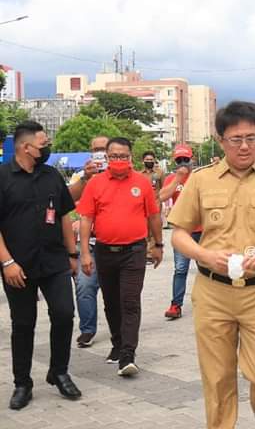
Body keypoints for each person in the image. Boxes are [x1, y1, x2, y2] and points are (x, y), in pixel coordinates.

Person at [168, 101, 255, 429]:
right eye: (236, 139)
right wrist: (204, 255)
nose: (244, 146)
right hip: (213, 293)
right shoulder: (201, 180)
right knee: (217, 378)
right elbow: (179, 234)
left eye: (251, 138)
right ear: (221, 141)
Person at [0, 121, 83, 410]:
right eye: (43, 143)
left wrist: (72, 255)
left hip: (54, 261)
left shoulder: (51, 175)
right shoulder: (2, 177)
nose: (46, 147)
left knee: (64, 314)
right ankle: (22, 383)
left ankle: (58, 371)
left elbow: (63, 216)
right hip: (17, 266)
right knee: (23, 324)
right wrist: (7, 262)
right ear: (26, 147)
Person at [77, 137, 163, 377]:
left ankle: (127, 354)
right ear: (107, 157)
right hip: (105, 252)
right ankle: (117, 343)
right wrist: (85, 253)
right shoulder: (95, 183)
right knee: (112, 302)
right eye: (114, 156)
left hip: (134, 252)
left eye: (123, 156)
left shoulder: (142, 183)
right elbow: (86, 219)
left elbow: (153, 216)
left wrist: (158, 244)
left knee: (130, 301)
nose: (119, 160)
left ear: (131, 157)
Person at [68, 135, 109, 349]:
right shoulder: (80, 176)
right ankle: (87, 329)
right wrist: (86, 177)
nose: (99, 153)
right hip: (88, 245)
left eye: (103, 148)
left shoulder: (120, 176)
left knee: (117, 292)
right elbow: (67, 203)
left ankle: (121, 331)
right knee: (84, 287)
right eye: (96, 149)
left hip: (115, 244)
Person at [159, 144, 202, 319]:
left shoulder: (200, 177)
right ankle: (176, 305)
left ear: (192, 159)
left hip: (202, 230)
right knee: (180, 269)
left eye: (186, 159)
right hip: (182, 231)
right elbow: (162, 197)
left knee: (207, 268)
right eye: (179, 160)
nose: (183, 163)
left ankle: (212, 302)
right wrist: (178, 178)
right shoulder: (172, 178)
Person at [141, 150, 165, 263]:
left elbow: (164, 188)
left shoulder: (159, 173)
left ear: (154, 161)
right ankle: (145, 252)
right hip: (142, 205)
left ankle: (151, 253)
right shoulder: (139, 174)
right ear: (143, 161)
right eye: (147, 160)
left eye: (151, 159)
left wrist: (161, 201)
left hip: (155, 204)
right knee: (144, 228)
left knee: (154, 228)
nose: (149, 161)